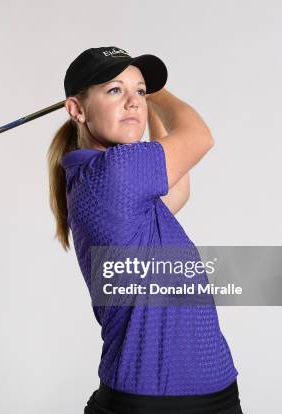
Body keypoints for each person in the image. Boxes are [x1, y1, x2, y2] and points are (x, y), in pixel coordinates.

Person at [47, 46, 244, 414]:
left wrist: (145, 99)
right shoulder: (113, 173)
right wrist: (158, 92)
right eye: (115, 90)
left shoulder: (107, 181)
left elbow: (179, 189)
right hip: (151, 402)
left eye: (139, 91)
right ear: (77, 109)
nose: (134, 102)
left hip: (213, 396)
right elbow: (199, 137)